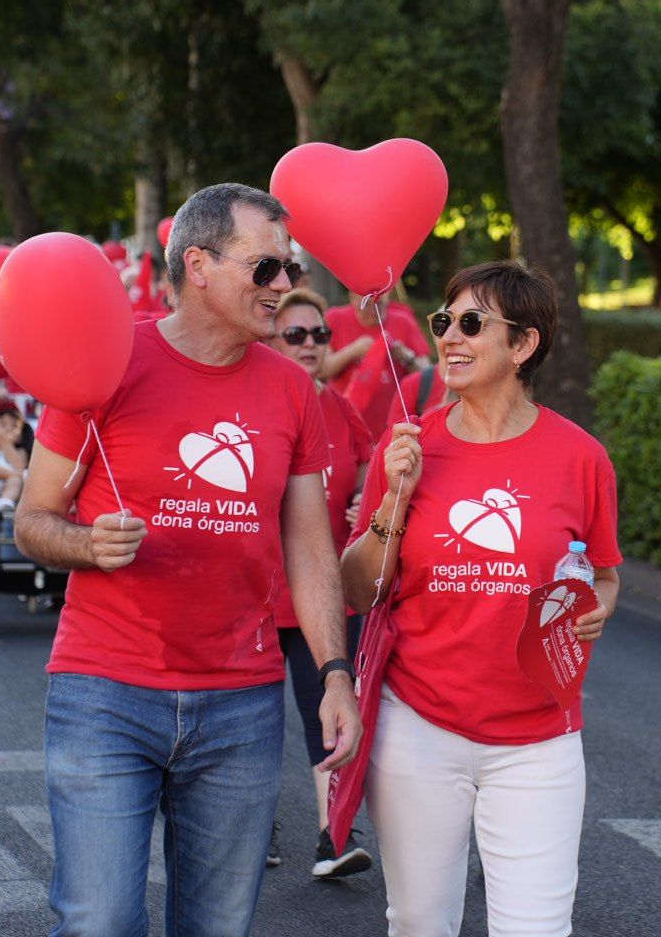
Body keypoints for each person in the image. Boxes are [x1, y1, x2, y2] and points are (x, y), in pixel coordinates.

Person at [14, 183, 361, 937]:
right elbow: (32, 521)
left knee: (216, 929)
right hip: (105, 692)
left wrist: (336, 673)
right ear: (198, 265)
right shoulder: (103, 362)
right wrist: (87, 543)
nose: (285, 287)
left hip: (241, 701)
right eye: (266, 268)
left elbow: (307, 547)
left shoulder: (293, 392)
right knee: (98, 922)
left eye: (290, 269)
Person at [340, 260, 621, 937]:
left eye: (472, 323)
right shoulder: (408, 447)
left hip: (538, 738)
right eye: (444, 322)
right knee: (418, 923)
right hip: (419, 727)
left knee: (537, 928)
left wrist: (599, 606)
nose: (450, 338)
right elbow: (356, 587)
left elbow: (604, 571)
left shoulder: (581, 457)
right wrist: (394, 500)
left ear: (523, 345)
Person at [263, 287, 376, 878]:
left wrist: (366, 506)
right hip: (253, 595)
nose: (311, 345)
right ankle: (252, 830)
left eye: (320, 335)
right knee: (249, 723)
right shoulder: (254, 398)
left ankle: (335, 836)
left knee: (326, 710)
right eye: (296, 335)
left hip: (318, 593)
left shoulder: (339, 405)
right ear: (270, 338)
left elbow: (367, 474)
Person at [323, 294, 431, 429]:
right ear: (352, 298)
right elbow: (323, 369)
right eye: (366, 305)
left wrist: (406, 356)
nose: (373, 310)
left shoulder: (403, 321)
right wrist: (352, 351)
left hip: (393, 423)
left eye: (379, 304)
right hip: (345, 422)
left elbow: (428, 375)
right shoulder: (334, 318)